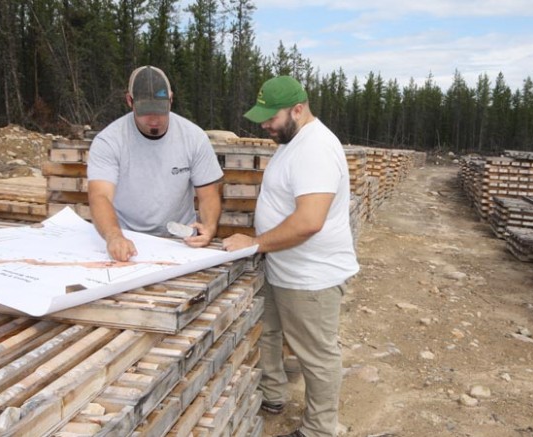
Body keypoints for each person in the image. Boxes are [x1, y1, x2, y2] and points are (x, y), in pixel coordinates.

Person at [222, 76, 359, 437]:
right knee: (269, 333)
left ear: (298, 110)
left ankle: (318, 429)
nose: (265, 125)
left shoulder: (316, 149)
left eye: (271, 117)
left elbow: (309, 221)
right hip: (284, 266)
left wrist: (255, 243)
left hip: (311, 277)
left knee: (317, 356)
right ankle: (273, 395)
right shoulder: (292, 141)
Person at [87, 65, 223, 261]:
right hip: (128, 238)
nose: (154, 119)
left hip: (180, 241)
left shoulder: (194, 138)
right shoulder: (109, 141)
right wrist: (114, 236)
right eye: (145, 111)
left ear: (171, 100)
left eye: (160, 110)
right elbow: (100, 196)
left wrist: (209, 227)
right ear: (130, 101)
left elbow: (208, 194)